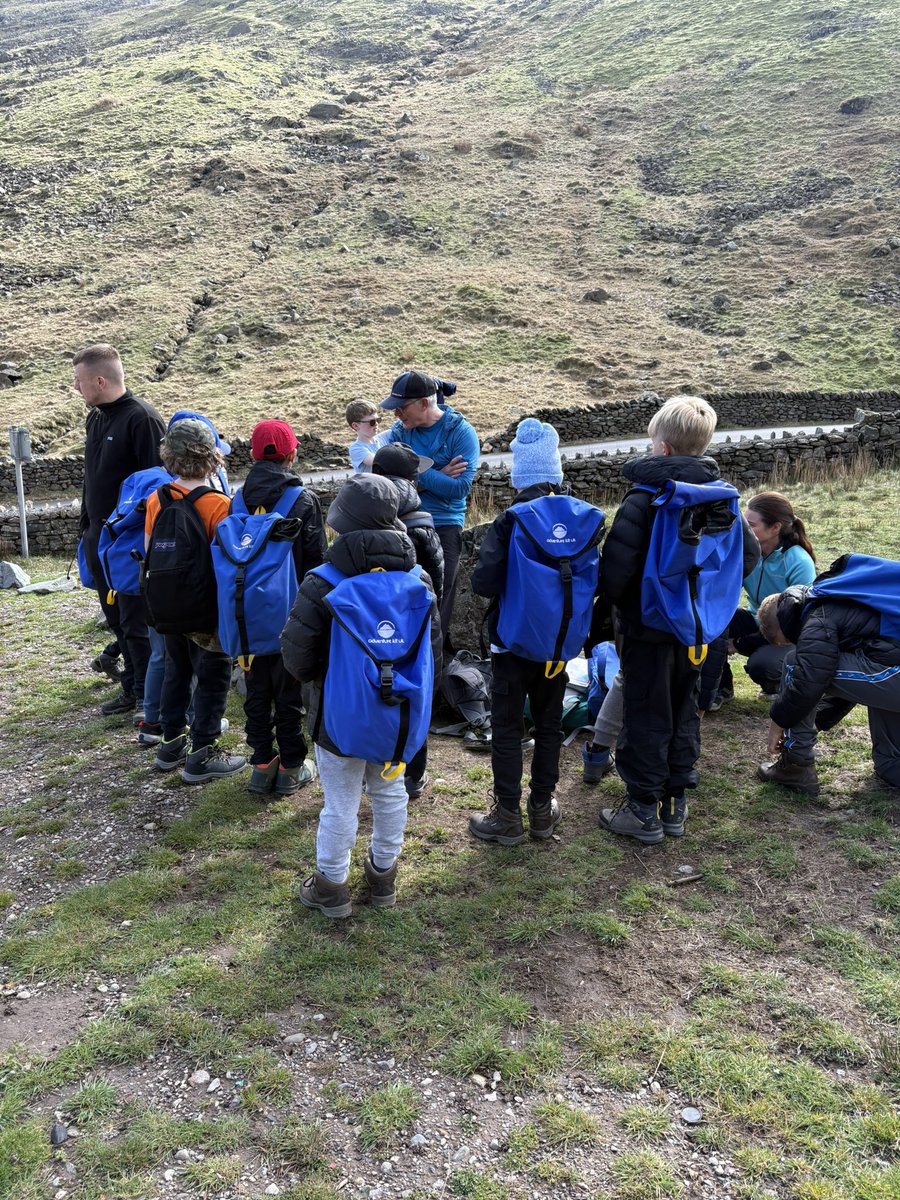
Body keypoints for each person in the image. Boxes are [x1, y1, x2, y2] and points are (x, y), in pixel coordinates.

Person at [597, 396, 760, 844]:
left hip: (649, 628)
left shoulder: (644, 499)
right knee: (685, 709)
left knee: (646, 712)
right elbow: (747, 556)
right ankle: (674, 805)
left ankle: (642, 811)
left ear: (663, 448)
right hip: (699, 630)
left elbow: (616, 572)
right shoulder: (724, 498)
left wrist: (621, 608)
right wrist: (707, 599)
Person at [281, 473, 442, 918]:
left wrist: (331, 682)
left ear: (342, 523)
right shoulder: (419, 578)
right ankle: (383, 877)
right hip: (397, 719)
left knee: (339, 805)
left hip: (338, 719)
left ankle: (331, 886)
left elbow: (296, 656)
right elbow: (432, 652)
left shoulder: (323, 581)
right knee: (391, 796)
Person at [467, 419, 604, 845]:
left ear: (518, 474)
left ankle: (507, 815)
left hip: (511, 644)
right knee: (548, 726)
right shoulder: (586, 519)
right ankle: (542, 811)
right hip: (560, 646)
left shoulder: (510, 521)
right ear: (556, 472)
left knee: (507, 728)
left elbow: (483, 583)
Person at [144, 420, 246, 785]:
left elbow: (148, 551)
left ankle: (170, 744)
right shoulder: (220, 505)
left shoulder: (158, 498)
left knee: (177, 670)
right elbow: (228, 564)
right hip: (208, 610)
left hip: (167, 605)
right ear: (212, 458)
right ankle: (202, 754)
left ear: (169, 457)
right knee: (213, 676)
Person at [75, 343, 165, 717]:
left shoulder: (142, 419)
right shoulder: (95, 417)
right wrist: (86, 526)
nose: (75, 388)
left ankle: (146, 695)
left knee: (135, 620)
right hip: (99, 538)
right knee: (116, 619)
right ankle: (132, 685)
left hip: (129, 542)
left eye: (79, 381)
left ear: (100, 379)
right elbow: (92, 477)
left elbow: (158, 485)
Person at [239, 419, 327, 795]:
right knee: (290, 691)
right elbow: (317, 563)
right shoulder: (302, 500)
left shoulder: (235, 501)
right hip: (290, 611)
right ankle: (292, 766)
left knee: (256, 687)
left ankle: (261, 764)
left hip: (245, 614)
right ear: (292, 454)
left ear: (254, 455)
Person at [756, 582, 900, 796]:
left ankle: (796, 764)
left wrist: (779, 721)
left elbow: (809, 681)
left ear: (783, 628)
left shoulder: (817, 618)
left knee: (796, 664)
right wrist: (815, 721)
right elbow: (854, 684)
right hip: (890, 670)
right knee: (889, 764)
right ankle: (892, 765)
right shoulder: (835, 599)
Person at [380, 370, 478, 650]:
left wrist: (416, 472)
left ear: (424, 403)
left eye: (401, 407)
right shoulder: (399, 433)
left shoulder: (460, 432)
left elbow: (459, 488)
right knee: (399, 598)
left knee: (438, 600)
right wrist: (438, 473)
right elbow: (392, 486)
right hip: (403, 522)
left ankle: (433, 670)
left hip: (445, 524)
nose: (396, 414)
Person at [372, 442, 445, 799]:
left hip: (369, 626)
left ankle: (376, 765)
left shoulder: (364, 515)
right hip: (414, 625)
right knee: (417, 694)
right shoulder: (420, 520)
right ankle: (413, 775)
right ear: (412, 480)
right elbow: (436, 579)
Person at [704, 492, 817, 706]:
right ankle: (720, 688)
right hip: (757, 620)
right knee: (713, 622)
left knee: (761, 665)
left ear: (775, 527)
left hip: (789, 634)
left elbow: (792, 623)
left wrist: (739, 644)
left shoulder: (798, 561)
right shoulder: (746, 552)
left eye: (751, 525)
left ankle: (776, 683)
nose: (745, 529)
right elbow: (722, 591)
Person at [346, 399, 391, 472]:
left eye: (378, 420)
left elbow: (400, 428)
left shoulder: (384, 437)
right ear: (356, 426)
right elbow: (379, 462)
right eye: (372, 422)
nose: (376, 424)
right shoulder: (356, 448)